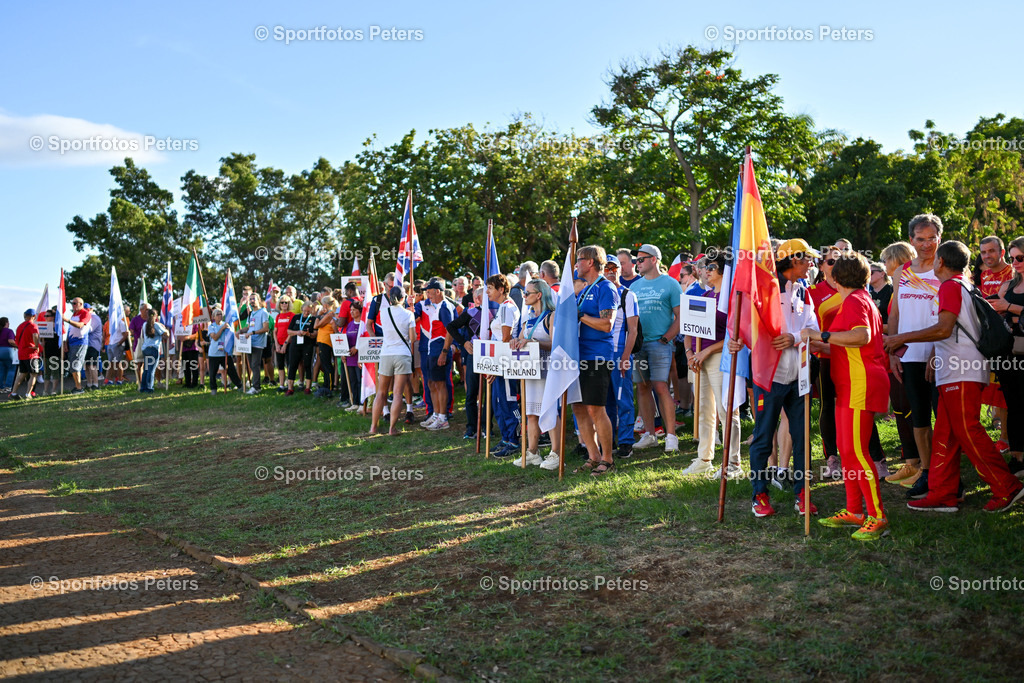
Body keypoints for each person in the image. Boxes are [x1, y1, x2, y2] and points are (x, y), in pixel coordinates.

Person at [886, 240, 1024, 513]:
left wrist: (900, 338)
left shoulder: (950, 285)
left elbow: (943, 328)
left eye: (935, 257)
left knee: (968, 431)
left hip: (962, 370)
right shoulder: (963, 283)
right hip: (955, 369)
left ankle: (1007, 487)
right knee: (946, 435)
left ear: (941, 262)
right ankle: (944, 493)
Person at [803, 253, 891, 540]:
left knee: (857, 453)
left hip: (860, 382)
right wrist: (814, 341)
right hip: (852, 383)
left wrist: (822, 336)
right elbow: (847, 344)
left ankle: (877, 516)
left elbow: (861, 337)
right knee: (847, 451)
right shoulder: (859, 299)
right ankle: (854, 509)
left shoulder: (853, 301)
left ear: (836, 277)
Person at [730, 239, 819, 518]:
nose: (811, 265)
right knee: (763, 437)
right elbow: (744, 322)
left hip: (799, 377)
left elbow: (814, 330)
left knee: (802, 437)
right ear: (792, 260)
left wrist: (794, 337)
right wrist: (736, 341)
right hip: (768, 377)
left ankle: (802, 493)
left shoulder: (805, 291)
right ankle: (759, 494)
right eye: (807, 260)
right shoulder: (763, 290)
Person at [887, 214, 942, 500]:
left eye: (932, 238)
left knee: (943, 419)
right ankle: (928, 473)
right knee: (919, 419)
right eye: (920, 239)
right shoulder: (901, 272)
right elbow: (894, 313)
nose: (926, 244)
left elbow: (951, 318)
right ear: (911, 240)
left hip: (941, 356)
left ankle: (948, 475)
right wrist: (894, 351)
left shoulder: (947, 270)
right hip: (909, 356)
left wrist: (936, 351)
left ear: (939, 238)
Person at [681, 252, 740, 477]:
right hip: (697, 359)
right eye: (705, 267)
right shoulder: (702, 296)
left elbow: (734, 335)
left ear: (724, 272)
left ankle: (732, 463)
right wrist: (689, 353)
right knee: (704, 410)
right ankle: (704, 458)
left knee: (727, 410)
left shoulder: (731, 299)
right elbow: (688, 329)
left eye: (712, 267)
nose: (706, 271)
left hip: (718, 357)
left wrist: (706, 351)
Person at [629, 244, 682, 453]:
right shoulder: (634, 287)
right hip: (639, 345)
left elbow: (681, 315)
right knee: (642, 387)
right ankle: (650, 434)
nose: (637, 264)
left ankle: (671, 436)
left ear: (654, 260)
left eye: (641, 259)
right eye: (636, 261)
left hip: (660, 344)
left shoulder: (670, 284)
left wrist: (667, 338)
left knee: (660, 387)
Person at [570, 245, 618, 475]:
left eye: (579, 260)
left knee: (596, 409)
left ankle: (607, 459)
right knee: (579, 408)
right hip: (579, 356)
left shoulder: (606, 288)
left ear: (590, 262)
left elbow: (606, 324)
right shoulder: (584, 290)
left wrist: (581, 316)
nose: (576, 264)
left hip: (598, 355)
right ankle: (593, 456)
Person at [878, 242, 922, 485]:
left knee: (911, 411)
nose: (884, 267)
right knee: (900, 409)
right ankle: (911, 462)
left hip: (912, 355)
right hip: (896, 354)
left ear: (898, 261)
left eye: (886, 262)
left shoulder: (911, 286)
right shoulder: (897, 289)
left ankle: (922, 465)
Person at [511, 278, 560, 468]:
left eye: (527, 293)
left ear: (538, 295)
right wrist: (515, 342)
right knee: (531, 412)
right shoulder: (529, 318)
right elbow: (521, 339)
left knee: (549, 410)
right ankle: (533, 452)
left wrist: (533, 343)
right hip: (530, 370)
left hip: (547, 369)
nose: (524, 296)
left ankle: (556, 452)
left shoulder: (551, 316)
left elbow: (556, 344)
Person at [990, 236, 1024, 477]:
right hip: (1009, 354)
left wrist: (1009, 308)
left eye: (1020, 258)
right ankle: (1017, 456)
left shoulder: (1007, 295)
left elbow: (1009, 309)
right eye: (1012, 258)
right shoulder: (1007, 287)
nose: (1016, 262)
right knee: (1013, 405)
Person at [977, 235, 1015, 452]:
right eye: (983, 252)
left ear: (1002, 252)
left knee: (1004, 391)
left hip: (1008, 337)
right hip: (988, 337)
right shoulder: (983, 274)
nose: (987, 256)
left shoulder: (1012, 272)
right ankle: (1000, 434)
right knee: (993, 390)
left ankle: (1006, 438)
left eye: (991, 251)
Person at [603, 257, 639, 461]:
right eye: (606, 268)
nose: (610, 271)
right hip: (601, 354)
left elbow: (632, 330)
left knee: (623, 399)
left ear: (619, 270)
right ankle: (609, 441)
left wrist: (625, 357)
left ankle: (626, 441)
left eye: (613, 268)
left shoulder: (627, 295)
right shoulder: (600, 292)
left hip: (619, 353)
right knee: (606, 400)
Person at [370, 286, 416, 435]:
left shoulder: (383, 313)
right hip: (402, 354)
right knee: (397, 394)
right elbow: (413, 338)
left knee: (381, 392)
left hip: (386, 353)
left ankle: (373, 428)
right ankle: (392, 428)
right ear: (403, 298)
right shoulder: (409, 314)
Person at [485, 274, 522, 457]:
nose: (487, 292)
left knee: (508, 402)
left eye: (490, 288)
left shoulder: (507, 307)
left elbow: (506, 338)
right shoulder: (502, 308)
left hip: (507, 361)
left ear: (501, 289)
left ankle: (514, 439)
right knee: (498, 402)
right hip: (499, 361)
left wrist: (496, 365)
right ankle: (506, 437)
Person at [446, 287, 486, 439]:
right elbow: (451, 326)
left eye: (480, 296)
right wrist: (464, 343)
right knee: (471, 393)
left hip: (492, 355)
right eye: (477, 297)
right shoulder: (471, 312)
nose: (478, 299)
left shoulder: (496, 312)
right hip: (473, 355)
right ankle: (471, 427)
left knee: (488, 395)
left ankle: (486, 427)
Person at [417, 281, 457, 431]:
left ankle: (442, 417)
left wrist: (444, 352)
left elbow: (450, 330)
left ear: (438, 291)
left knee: (440, 384)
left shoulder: (445, 307)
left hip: (439, 349)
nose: (427, 294)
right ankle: (435, 414)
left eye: (430, 291)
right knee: (431, 383)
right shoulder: (437, 306)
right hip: (431, 349)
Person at [207, 308, 243, 394]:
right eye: (218, 314)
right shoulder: (211, 326)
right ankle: (213, 389)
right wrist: (222, 329)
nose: (220, 316)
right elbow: (215, 337)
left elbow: (231, 336)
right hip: (214, 353)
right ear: (214, 317)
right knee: (212, 373)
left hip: (225, 352)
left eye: (221, 314)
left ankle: (239, 386)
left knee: (231, 370)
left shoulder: (226, 324)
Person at [285, 302, 317, 395]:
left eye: (308, 311)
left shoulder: (313, 319)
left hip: (308, 345)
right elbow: (288, 331)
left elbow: (315, 334)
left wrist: (308, 334)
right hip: (295, 344)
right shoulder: (296, 317)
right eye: (305, 311)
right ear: (302, 309)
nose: (306, 313)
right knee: (292, 364)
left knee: (307, 364)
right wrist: (297, 332)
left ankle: (307, 388)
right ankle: (290, 388)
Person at [9, 310, 41, 400]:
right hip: (31, 354)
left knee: (22, 374)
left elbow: (17, 339)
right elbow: (35, 335)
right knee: (34, 374)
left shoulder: (20, 326)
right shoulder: (33, 325)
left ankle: (14, 393)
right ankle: (28, 394)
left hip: (21, 353)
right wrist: (36, 346)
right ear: (34, 316)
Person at [64, 298, 91, 393]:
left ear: (81, 304)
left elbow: (80, 325)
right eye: (72, 303)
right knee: (73, 366)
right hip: (71, 343)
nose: (73, 305)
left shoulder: (85, 313)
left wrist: (67, 320)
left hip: (80, 342)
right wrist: (66, 342)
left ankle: (79, 388)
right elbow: (70, 330)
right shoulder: (74, 314)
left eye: (75, 303)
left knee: (76, 365)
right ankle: (77, 386)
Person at [137, 309, 168, 393]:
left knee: (146, 369)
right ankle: (149, 388)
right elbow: (166, 334)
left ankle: (143, 388)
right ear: (156, 316)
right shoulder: (156, 325)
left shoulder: (144, 324)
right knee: (151, 369)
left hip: (145, 348)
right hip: (154, 348)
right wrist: (165, 329)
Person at [244, 293, 270, 394]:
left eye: (254, 299)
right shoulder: (250, 313)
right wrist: (240, 331)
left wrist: (253, 332)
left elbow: (265, 328)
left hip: (258, 342)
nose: (252, 301)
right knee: (251, 365)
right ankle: (254, 385)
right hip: (249, 342)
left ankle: (256, 387)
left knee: (255, 365)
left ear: (259, 300)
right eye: (250, 299)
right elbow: (249, 327)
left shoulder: (263, 312)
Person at [313, 296, 337, 398]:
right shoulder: (326, 314)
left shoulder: (330, 314)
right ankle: (327, 384)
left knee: (327, 365)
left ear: (326, 305)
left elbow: (316, 326)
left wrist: (318, 316)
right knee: (324, 363)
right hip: (322, 341)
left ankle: (330, 386)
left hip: (326, 341)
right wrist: (319, 316)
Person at [341, 300, 363, 412]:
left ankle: (362, 403)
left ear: (360, 311)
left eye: (354, 310)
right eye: (351, 310)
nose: (351, 312)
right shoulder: (349, 324)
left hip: (360, 358)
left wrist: (357, 347)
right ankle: (354, 402)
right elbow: (344, 340)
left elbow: (365, 339)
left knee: (360, 381)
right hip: (350, 358)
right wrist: (343, 353)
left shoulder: (363, 325)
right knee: (353, 381)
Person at [273, 295, 295, 390]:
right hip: (279, 343)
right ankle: (281, 385)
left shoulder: (291, 315)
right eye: (282, 302)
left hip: (289, 344)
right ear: (279, 304)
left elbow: (291, 331)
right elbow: (275, 331)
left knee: (289, 365)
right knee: (280, 365)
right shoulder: (278, 316)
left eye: (286, 302)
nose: (284, 304)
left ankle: (290, 385)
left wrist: (285, 344)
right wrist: (277, 344)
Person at [0, 317, 16, 394]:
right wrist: (18, 346)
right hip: (8, 351)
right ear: (6, 323)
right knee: (11, 369)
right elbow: (11, 341)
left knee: (1, 370)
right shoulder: (9, 331)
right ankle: (8, 387)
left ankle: (1, 387)